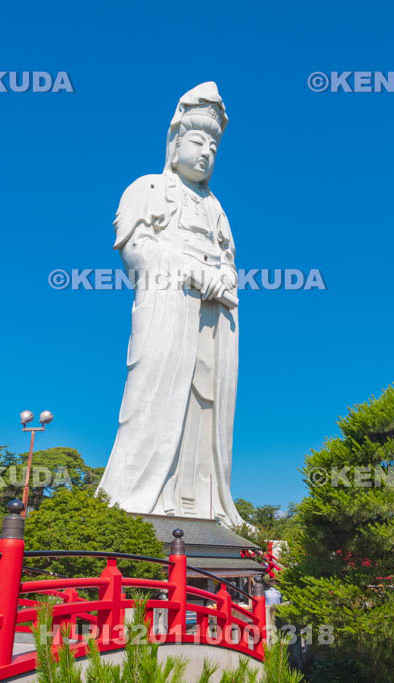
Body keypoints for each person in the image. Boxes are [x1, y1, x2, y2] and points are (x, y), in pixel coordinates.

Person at [97, 82, 245, 528]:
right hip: (170, 306)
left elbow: (231, 262)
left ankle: (206, 504)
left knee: (210, 404)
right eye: (198, 142)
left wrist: (222, 279)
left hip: (214, 314)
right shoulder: (147, 188)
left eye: (214, 148)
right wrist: (188, 270)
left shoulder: (217, 209)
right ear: (175, 142)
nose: (206, 154)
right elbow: (136, 250)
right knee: (155, 398)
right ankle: (134, 499)